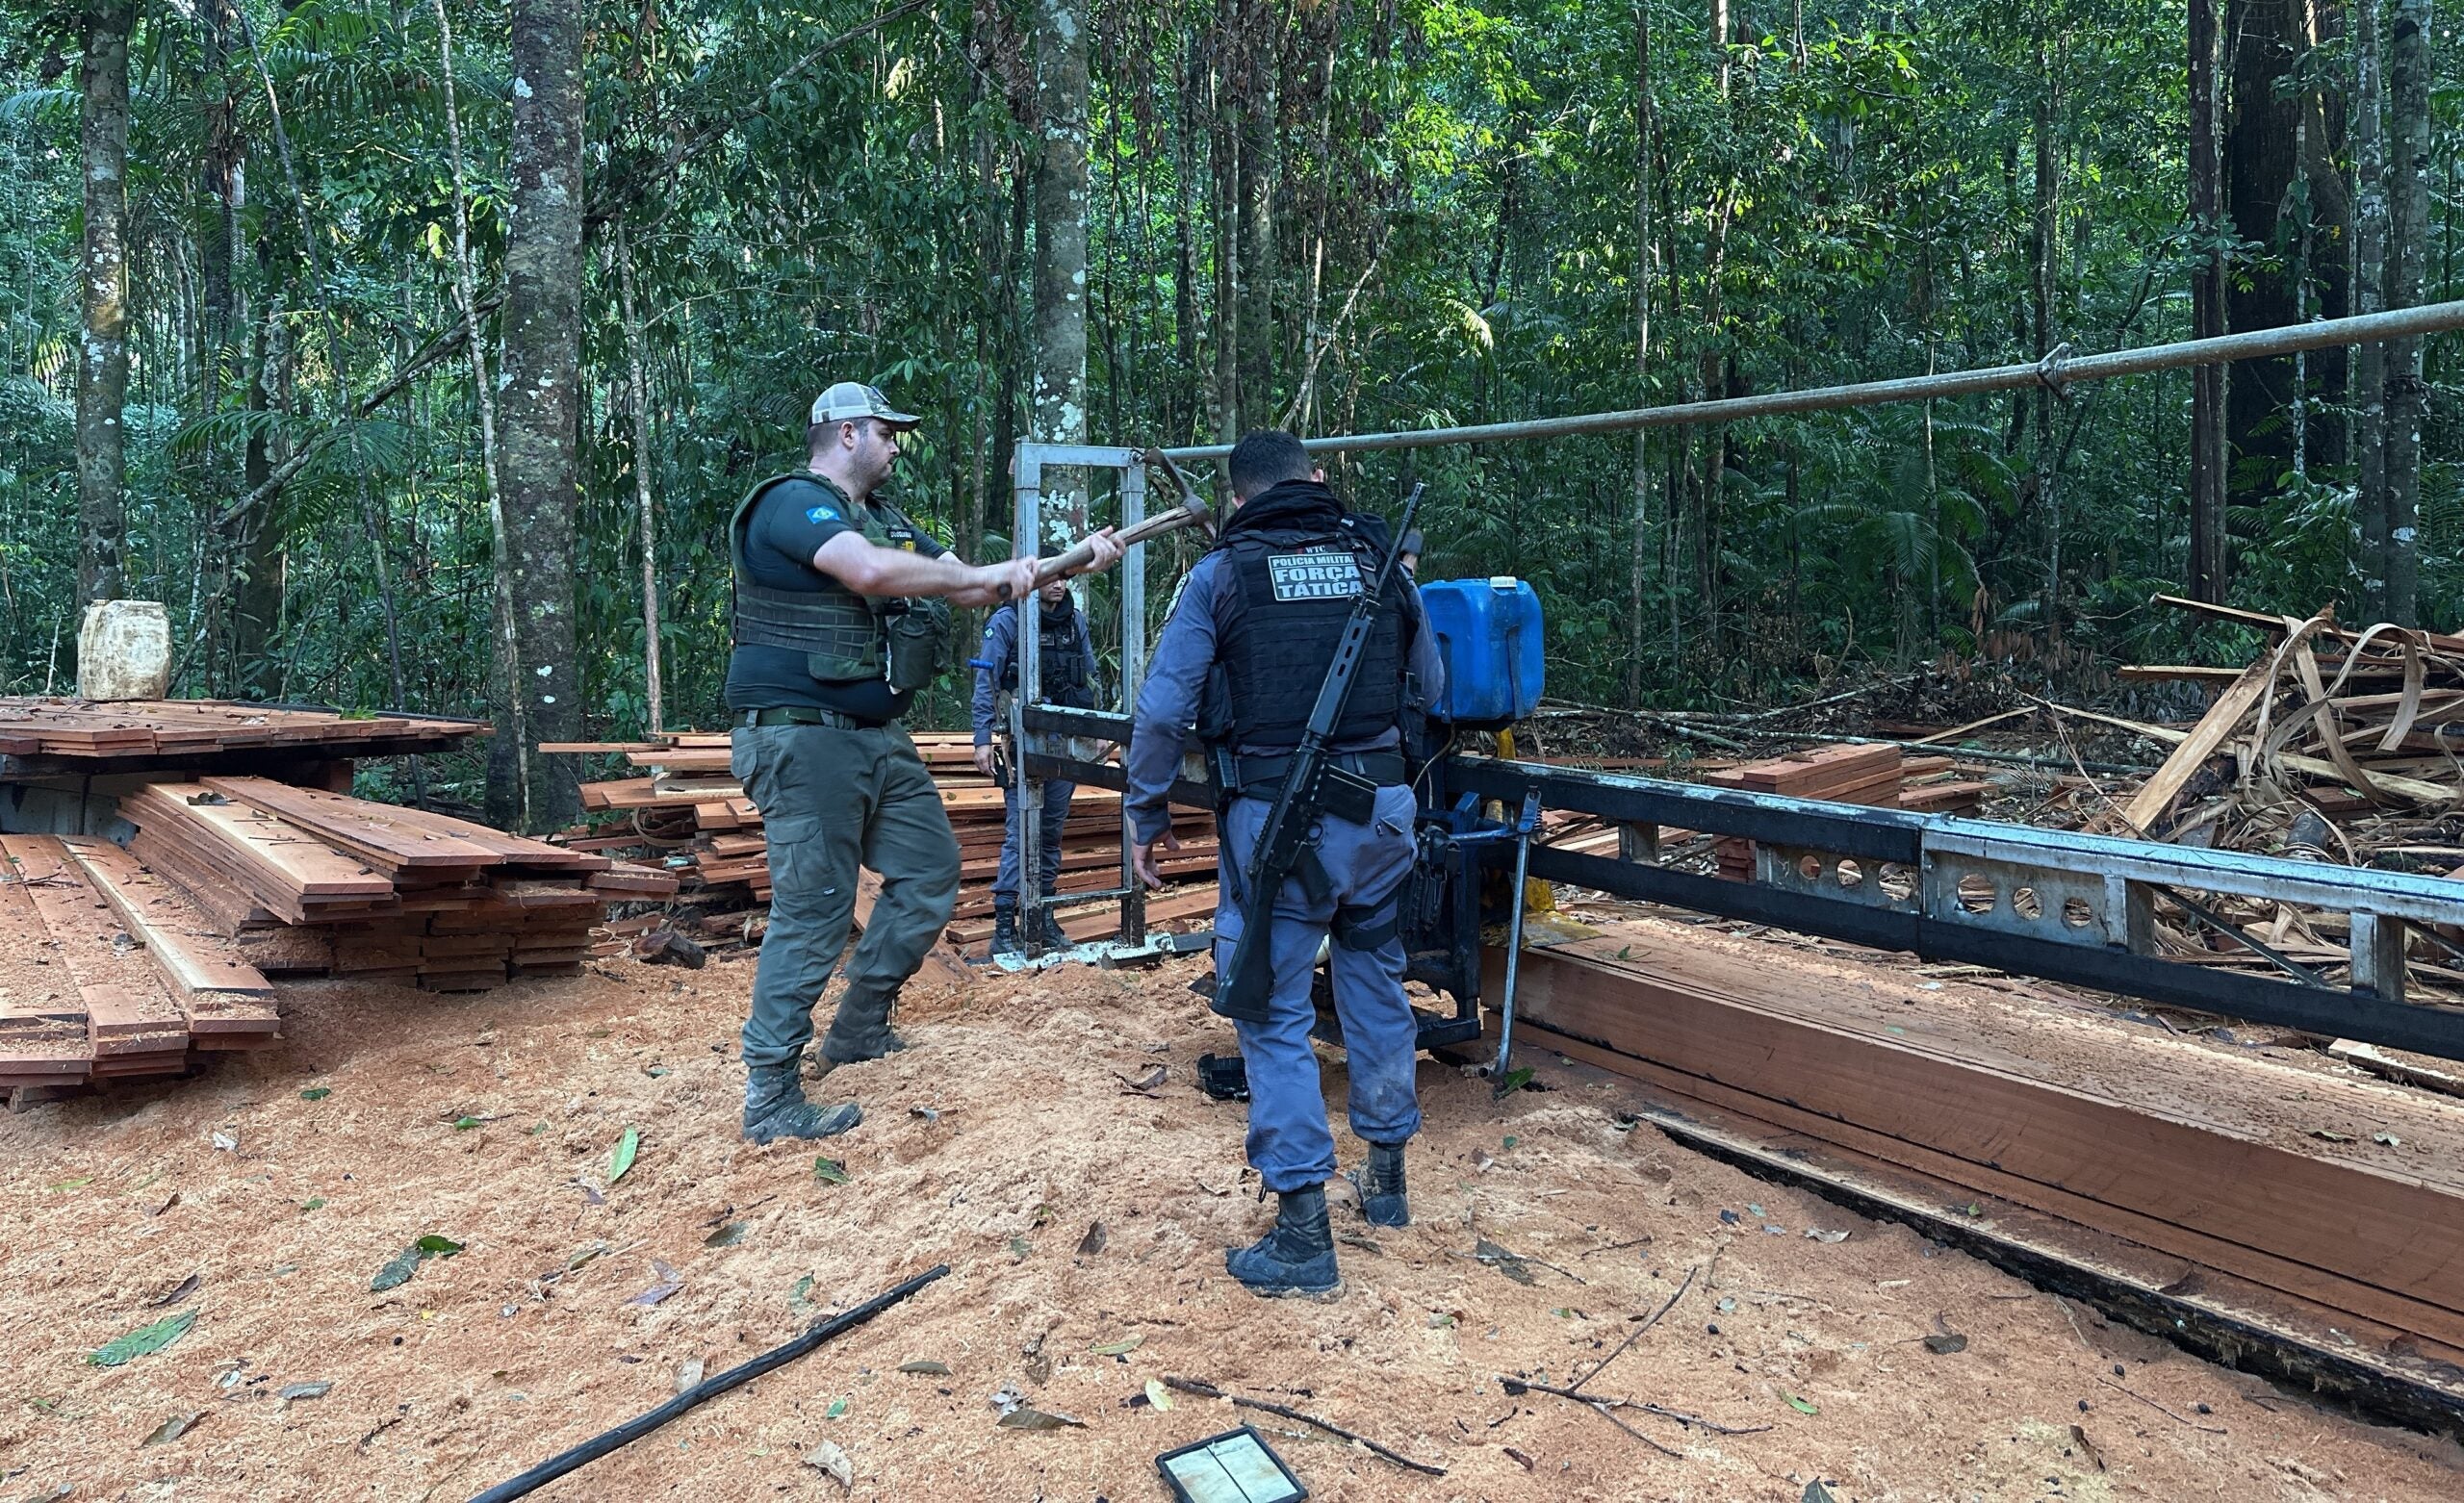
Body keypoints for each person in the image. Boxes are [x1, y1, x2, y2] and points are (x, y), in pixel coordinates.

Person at [727, 381, 1118, 1143]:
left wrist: (1073, 563)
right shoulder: (790, 504)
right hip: (802, 736)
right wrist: (979, 579)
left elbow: (980, 579)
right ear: (844, 434)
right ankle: (771, 1092)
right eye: (886, 430)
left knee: (932, 870)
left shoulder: (885, 521)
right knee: (814, 909)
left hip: (874, 737)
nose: (896, 443)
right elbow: (870, 574)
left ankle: (859, 1025)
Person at [1123, 429, 1445, 1298]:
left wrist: (1145, 810)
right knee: (1375, 975)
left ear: (1237, 498)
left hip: (1283, 823)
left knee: (1268, 1008)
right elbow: (1435, 686)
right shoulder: (1380, 562)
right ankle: (1386, 1183)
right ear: (1316, 479)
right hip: (1383, 815)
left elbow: (1161, 713)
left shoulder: (1223, 576)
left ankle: (1304, 1234)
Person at [971, 551, 1101, 956]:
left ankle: (1042, 914)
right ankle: (1005, 923)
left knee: (1050, 834)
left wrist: (1097, 727)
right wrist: (982, 737)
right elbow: (986, 681)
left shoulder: (1074, 622)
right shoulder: (1008, 620)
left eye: (1064, 577)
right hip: (1020, 744)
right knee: (1020, 833)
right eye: (1051, 576)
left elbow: (1091, 675)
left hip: (1065, 742)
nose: (1058, 584)